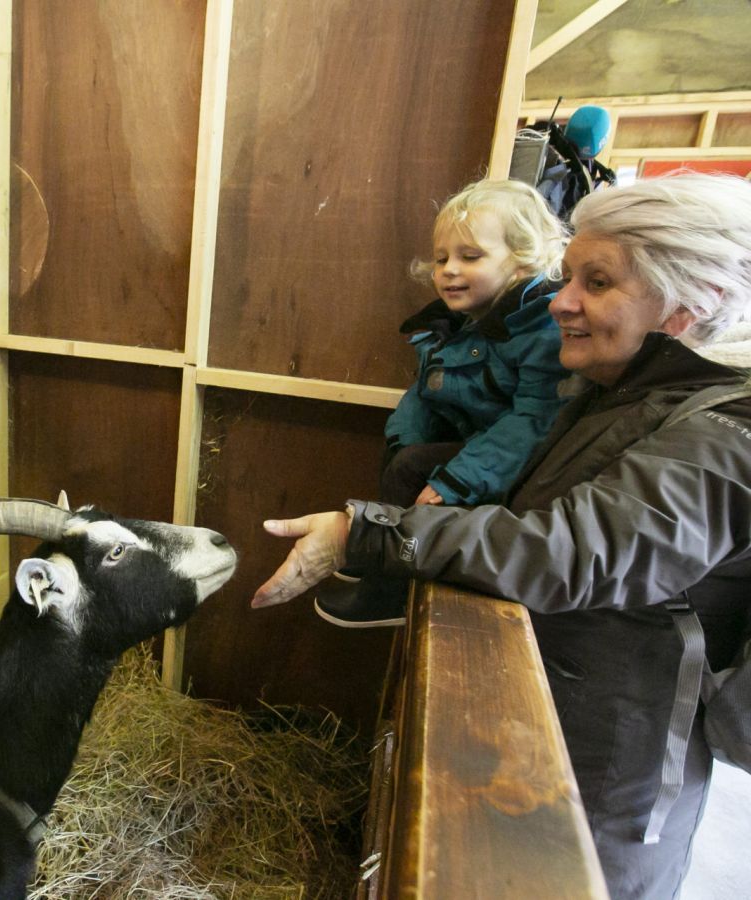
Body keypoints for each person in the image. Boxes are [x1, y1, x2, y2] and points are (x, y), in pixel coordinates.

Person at [252, 173, 751, 900]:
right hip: (553, 716)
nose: (561, 302)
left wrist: (364, 536)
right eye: (568, 276)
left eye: (598, 282)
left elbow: (572, 550)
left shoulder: (720, 436)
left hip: (614, 774)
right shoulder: (624, 394)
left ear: (688, 304)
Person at [316, 179, 570, 628]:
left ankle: (389, 589)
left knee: (411, 466)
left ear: (522, 262)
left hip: (522, 465)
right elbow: (427, 390)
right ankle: (377, 552)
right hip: (484, 447)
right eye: (442, 258)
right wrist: (403, 437)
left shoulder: (538, 329)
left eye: (470, 257)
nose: (449, 270)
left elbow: (536, 421)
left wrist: (460, 477)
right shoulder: (462, 324)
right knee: (404, 454)